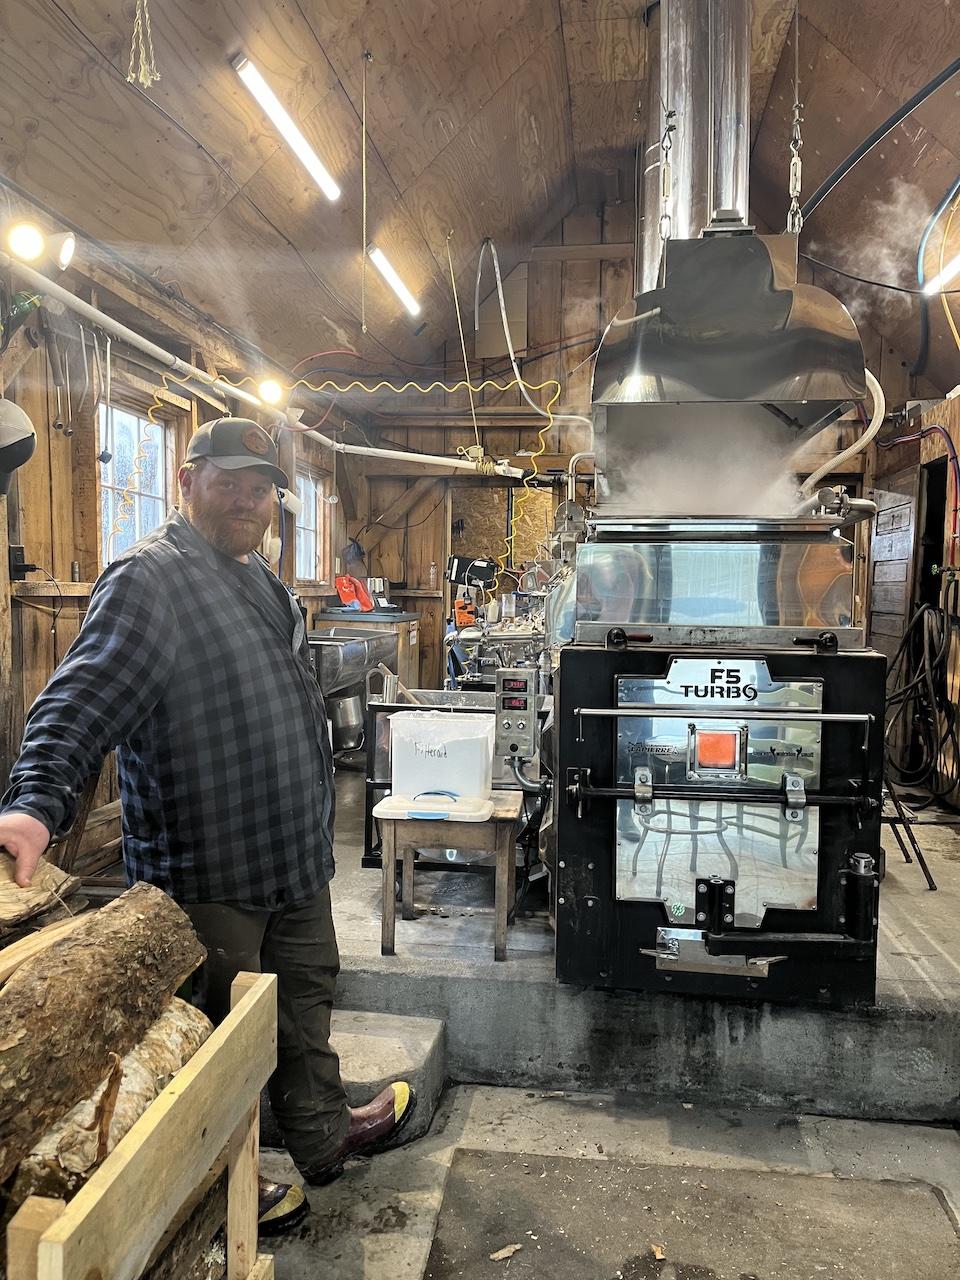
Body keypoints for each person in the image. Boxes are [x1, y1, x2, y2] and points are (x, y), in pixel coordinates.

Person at [0, 418, 415, 1235]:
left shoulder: (255, 575)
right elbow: (77, 703)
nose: (247, 499)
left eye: (260, 488)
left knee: (304, 1004)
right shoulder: (150, 580)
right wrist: (32, 805)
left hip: (291, 856)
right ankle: (225, 1181)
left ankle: (324, 1138)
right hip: (209, 867)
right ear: (186, 481)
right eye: (228, 482)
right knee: (216, 1040)